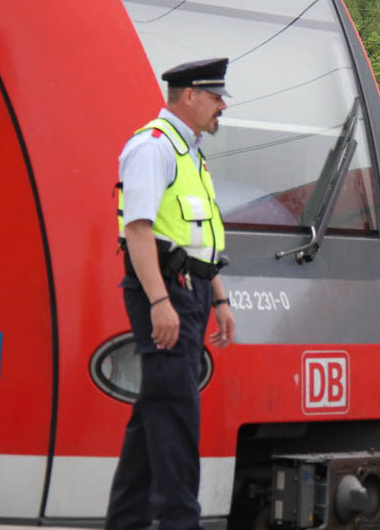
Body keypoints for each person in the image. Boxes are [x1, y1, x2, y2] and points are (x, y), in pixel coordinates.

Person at [106, 57, 236, 530]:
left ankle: (125, 522)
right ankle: (181, 522)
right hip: (164, 292)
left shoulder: (190, 153)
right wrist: (160, 302)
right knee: (176, 413)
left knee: (154, 415)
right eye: (216, 96)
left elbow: (199, 237)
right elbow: (138, 230)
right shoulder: (152, 148)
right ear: (189, 96)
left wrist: (218, 298)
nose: (222, 105)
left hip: (191, 292)